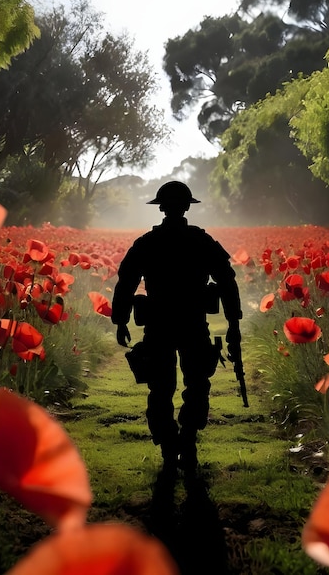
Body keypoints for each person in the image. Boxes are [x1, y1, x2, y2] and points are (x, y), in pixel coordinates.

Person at [111, 181, 243, 475]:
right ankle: (188, 438)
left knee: (160, 387)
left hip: (159, 323)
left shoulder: (146, 243)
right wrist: (233, 322)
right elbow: (226, 280)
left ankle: (170, 445)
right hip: (192, 322)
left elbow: (126, 282)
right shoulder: (201, 241)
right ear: (186, 207)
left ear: (160, 208)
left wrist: (120, 320)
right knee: (197, 383)